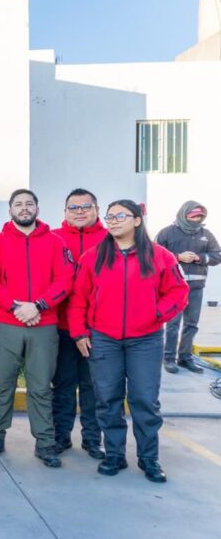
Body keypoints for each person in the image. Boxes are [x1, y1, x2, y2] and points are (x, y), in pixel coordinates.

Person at [69, 200, 188, 482]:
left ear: (137, 220)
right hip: (104, 339)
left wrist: (157, 314)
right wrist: (80, 332)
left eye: (120, 216)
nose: (113, 221)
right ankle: (114, 455)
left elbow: (178, 293)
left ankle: (149, 459)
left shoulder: (160, 256)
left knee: (144, 400)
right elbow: (78, 299)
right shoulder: (93, 256)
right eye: (109, 217)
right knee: (107, 399)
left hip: (145, 340)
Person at [0, 189, 73, 468]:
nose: (24, 208)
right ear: (10, 210)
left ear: (37, 208)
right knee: (2, 384)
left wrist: (40, 305)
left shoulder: (56, 243)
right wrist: (16, 306)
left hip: (43, 325)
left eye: (29, 203)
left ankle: (45, 442)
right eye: (18, 204)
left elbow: (65, 280)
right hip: (7, 324)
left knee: (41, 387)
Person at [50, 189, 107, 459]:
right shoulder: (53, 239)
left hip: (98, 328)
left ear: (97, 209)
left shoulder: (110, 239)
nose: (80, 212)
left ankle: (93, 439)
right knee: (62, 385)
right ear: (65, 212)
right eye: (74, 208)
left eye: (86, 207)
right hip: (60, 326)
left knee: (92, 386)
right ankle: (61, 436)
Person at [156, 201, 221, 374]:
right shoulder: (167, 232)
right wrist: (178, 257)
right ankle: (168, 358)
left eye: (200, 216)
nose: (197, 219)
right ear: (184, 215)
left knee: (191, 324)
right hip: (173, 288)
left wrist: (199, 258)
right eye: (193, 216)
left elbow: (217, 255)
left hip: (196, 288)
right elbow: (154, 255)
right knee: (173, 324)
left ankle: (185, 358)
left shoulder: (206, 234)